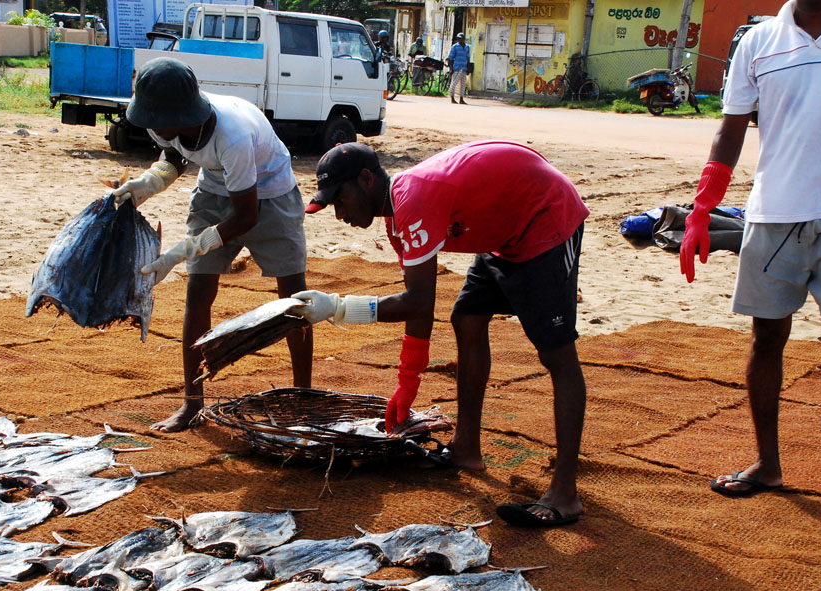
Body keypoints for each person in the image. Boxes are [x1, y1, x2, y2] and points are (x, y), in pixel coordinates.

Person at [292, 141, 590, 527]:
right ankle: (466, 449)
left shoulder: (413, 199)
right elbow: (420, 308)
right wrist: (406, 384)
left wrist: (337, 307)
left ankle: (565, 494)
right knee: (467, 318)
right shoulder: (397, 219)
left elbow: (417, 303)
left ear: (366, 180)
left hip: (546, 218)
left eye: (340, 200)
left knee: (555, 353)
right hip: (502, 231)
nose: (340, 213)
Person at [682, 0, 821, 496]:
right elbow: (731, 129)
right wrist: (702, 210)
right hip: (772, 213)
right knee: (767, 340)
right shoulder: (758, 42)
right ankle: (767, 463)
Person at [111, 58, 313, 432]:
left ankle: (303, 397)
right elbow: (174, 154)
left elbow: (245, 218)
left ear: (183, 114)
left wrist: (178, 252)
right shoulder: (165, 123)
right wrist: (150, 183)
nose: (152, 127)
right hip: (214, 191)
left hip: (270, 196)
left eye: (157, 120)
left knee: (293, 296)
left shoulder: (233, 135)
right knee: (198, 291)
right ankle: (192, 404)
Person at [446, 32, 471, 104]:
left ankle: (461, 99)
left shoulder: (467, 47)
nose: (459, 40)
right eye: (458, 39)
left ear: (463, 39)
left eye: (461, 39)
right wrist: (451, 69)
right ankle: (452, 98)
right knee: (454, 83)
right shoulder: (454, 47)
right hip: (457, 67)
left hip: (464, 67)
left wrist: (468, 68)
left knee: (463, 84)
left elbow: (468, 58)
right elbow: (450, 58)